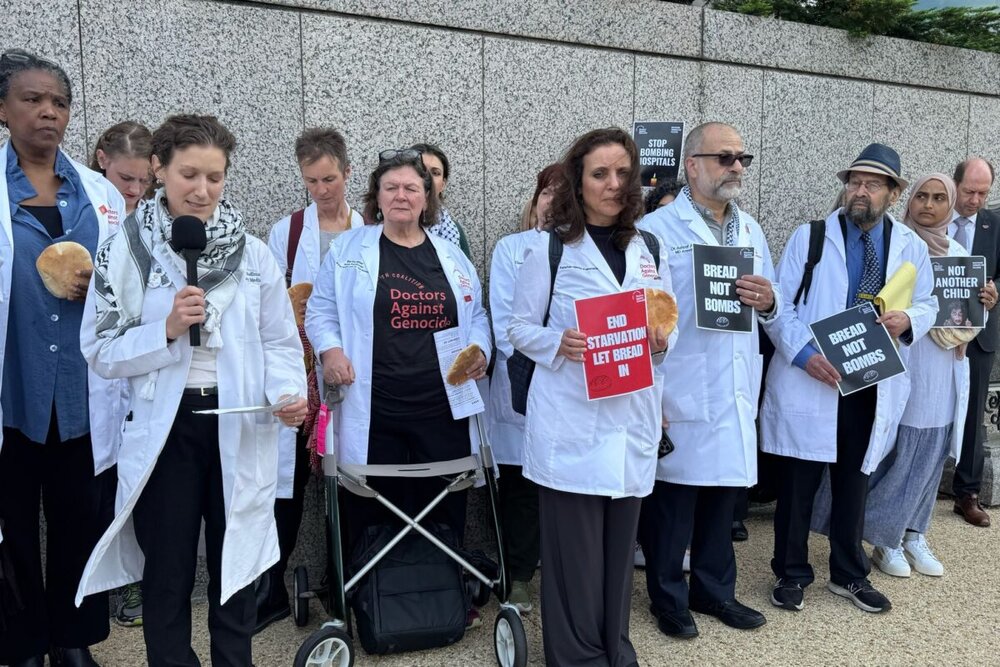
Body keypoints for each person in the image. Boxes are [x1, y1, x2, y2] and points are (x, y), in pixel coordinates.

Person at [75, 114, 308, 667]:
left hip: (239, 419)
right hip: (167, 429)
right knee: (168, 568)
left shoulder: (253, 253)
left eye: (215, 177)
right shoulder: (124, 250)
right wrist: (166, 329)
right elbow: (99, 349)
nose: (202, 190)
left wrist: (286, 393)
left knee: (237, 562)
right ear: (159, 168)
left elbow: (279, 340)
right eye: (189, 175)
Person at [304, 148, 491, 623]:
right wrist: (331, 351)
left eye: (411, 187)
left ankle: (443, 599)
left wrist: (481, 351)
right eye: (391, 187)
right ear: (377, 196)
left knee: (443, 504)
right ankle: (368, 600)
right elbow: (320, 310)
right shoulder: (349, 250)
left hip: (442, 409)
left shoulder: (451, 257)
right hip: (375, 409)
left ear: (427, 197)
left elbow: (478, 316)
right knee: (368, 506)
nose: (401, 195)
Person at [508, 127, 673, 666]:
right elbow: (518, 327)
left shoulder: (649, 249)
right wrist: (558, 342)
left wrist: (661, 341)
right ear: (578, 182)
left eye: (623, 173)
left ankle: (614, 648)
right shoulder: (549, 249)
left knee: (619, 553)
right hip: (572, 422)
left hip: (631, 419)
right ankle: (576, 656)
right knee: (574, 555)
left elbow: (668, 323)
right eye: (599, 173)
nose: (613, 183)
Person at [760, 143, 936, 614]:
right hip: (814, 375)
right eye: (855, 182)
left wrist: (909, 319)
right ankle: (791, 572)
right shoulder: (811, 237)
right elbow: (779, 305)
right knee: (798, 482)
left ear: (893, 194)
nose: (860, 191)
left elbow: (929, 302)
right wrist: (804, 357)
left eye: (873, 185)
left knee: (853, 482)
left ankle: (848, 574)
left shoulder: (911, 246)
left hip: (869, 380)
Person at [0, 48, 128, 667]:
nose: (48, 112)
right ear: (3, 109)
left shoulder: (99, 194)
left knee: (81, 517)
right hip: (14, 385)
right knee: (13, 522)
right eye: (32, 100)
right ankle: (23, 642)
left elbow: (129, 282)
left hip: (81, 389)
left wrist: (105, 286)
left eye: (60, 103)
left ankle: (72, 640)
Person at [638, 122, 774, 639]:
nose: (736, 167)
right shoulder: (657, 230)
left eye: (742, 158)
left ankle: (716, 592)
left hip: (734, 382)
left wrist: (769, 300)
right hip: (681, 381)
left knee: (723, 498)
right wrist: (652, 390)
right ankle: (668, 598)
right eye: (725, 158)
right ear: (692, 165)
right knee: (674, 503)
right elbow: (646, 308)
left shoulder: (751, 229)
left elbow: (774, 300)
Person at [811, 173, 980, 579]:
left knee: (930, 453)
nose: (929, 205)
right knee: (893, 454)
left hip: (943, 368)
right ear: (906, 199)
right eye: (922, 196)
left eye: (939, 198)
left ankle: (913, 532)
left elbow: (966, 316)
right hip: (901, 364)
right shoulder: (894, 245)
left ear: (951, 205)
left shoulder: (959, 254)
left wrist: (983, 306)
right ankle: (883, 538)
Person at [257, 127, 365, 633]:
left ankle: (347, 577)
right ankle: (272, 587)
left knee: (351, 476)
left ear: (347, 173)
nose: (321, 190)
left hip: (352, 369)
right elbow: (269, 304)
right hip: (302, 373)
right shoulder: (288, 232)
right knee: (292, 481)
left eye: (329, 179)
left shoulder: (368, 229)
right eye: (312, 181)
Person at [485, 162, 561, 613]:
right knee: (519, 488)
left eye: (563, 193)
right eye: (546, 192)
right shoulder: (511, 248)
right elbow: (506, 325)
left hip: (572, 386)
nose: (553, 201)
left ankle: (562, 574)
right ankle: (518, 576)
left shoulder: (588, 248)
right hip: (522, 381)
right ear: (534, 201)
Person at [90, 119, 153, 630]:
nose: (133, 190)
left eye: (142, 181)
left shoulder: (157, 223)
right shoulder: (88, 213)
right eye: (124, 179)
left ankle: (137, 582)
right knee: (99, 486)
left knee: (140, 485)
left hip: (145, 369)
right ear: (101, 161)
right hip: (96, 370)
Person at [949, 157, 1000, 528]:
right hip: (931, 334)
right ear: (955, 185)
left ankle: (967, 493)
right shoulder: (932, 217)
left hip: (979, 334)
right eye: (969, 191)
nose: (976, 200)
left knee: (971, 415)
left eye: (984, 193)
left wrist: (996, 291)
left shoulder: (994, 225)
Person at [411, 142, 472, 258]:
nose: (427, 178)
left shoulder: (453, 230)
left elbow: (463, 269)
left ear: (443, 185)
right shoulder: (387, 224)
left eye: (435, 173)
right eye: (421, 170)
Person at [91, 121, 153, 216]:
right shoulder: (83, 208)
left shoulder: (160, 211)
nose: (135, 190)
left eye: (145, 181)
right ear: (102, 159)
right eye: (126, 178)